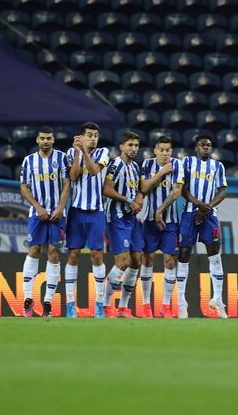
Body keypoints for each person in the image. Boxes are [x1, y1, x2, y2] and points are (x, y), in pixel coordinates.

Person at [19, 127, 71, 318]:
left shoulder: (62, 158)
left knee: (54, 253)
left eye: (49, 138)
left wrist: (59, 208)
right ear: (37, 140)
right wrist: (37, 206)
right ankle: (27, 299)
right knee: (33, 250)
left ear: (53, 139)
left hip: (58, 214)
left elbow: (67, 184)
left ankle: (48, 301)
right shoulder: (29, 160)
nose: (46, 141)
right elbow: (24, 187)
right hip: (36, 213)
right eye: (42, 138)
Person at [177, 134, 228, 319]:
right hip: (190, 213)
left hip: (209, 215)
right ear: (196, 148)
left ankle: (218, 299)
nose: (206, 147)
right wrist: (198, 203)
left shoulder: (218, 166)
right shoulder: (187, 162)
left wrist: (207, 207)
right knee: (183, 254)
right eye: (202, 145)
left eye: (209, 145)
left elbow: (223, 191)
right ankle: (181, 302)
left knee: (215, 255)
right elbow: (182, 188)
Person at [63, 122, 111, 318]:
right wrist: (77, 154)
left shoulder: (103, 153)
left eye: (95, 135)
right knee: (73, 254)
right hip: (76, 211)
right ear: (81, 136)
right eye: (89, 135)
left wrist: (84, 152)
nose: (93, 138)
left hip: (96, 212)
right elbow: (73, 177)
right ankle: (70, 304)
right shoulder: (71, 152)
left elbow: (93, 171)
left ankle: (99, 303)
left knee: (97, 256)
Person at [138, 135, 184, 318]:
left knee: (170, 261)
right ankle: (146, 305)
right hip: (149, 222)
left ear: (171, 151)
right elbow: (144, 188)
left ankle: (166, 306)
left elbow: (177, 192)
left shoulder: (178, 165)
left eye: (168, 150)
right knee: (147, 259)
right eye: (161, 150)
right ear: (155, 150)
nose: (165, 153)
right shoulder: (147, 165)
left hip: (170, 222)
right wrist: (162, 172)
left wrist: (160, 210)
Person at [102, 130, 144, 318]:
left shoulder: (135, 166)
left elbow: (140, 189)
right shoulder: (116, 165)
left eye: (136, 145)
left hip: (132, 217)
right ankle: (104, 306)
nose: (134, 148)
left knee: (136, 260)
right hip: (117, 216)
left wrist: (140, 198)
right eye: (130, 145)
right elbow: (107, 189)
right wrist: (129, 200)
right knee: (123, 260)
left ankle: (123, 308)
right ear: (121, 146)